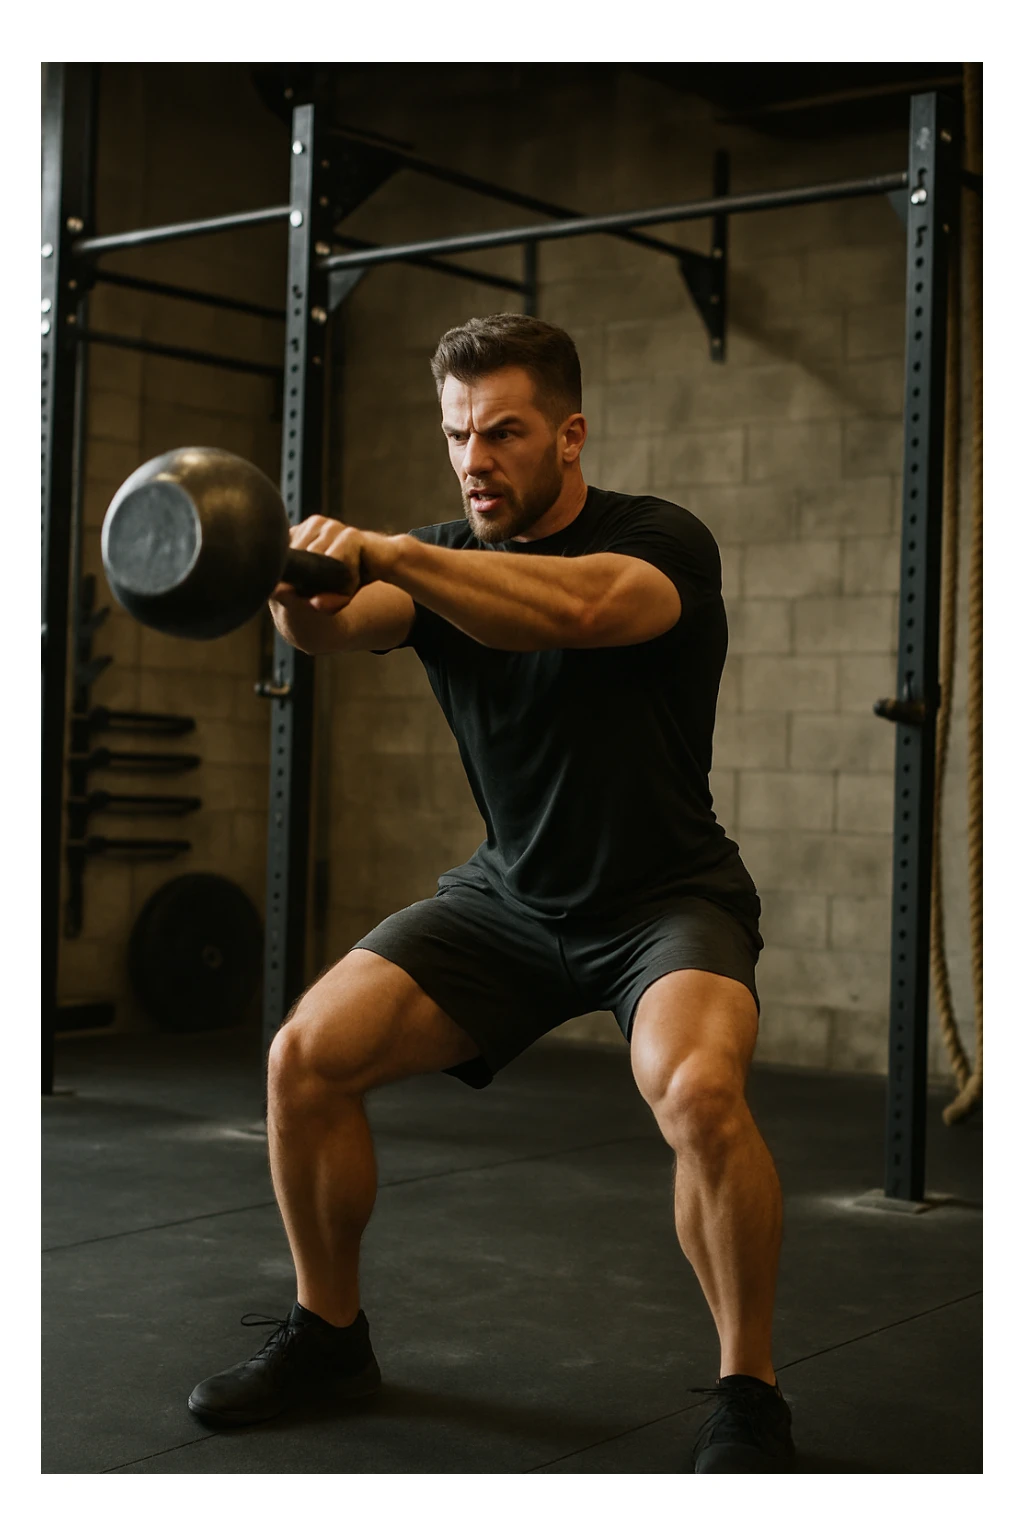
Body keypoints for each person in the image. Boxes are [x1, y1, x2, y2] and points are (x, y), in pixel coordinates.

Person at [188, 313, 795, 1474]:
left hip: (662, 901)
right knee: (303, 1058)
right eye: (459, 434)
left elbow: (568, 610)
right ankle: (329, 1334)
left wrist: (383, 550)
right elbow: (335, 629)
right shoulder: (425, 558)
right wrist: (286, 580)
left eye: (504, 432)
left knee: (700, 1094)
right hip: (507, 902)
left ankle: (749, 1390)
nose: (475, 458)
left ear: (569, 436)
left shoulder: (662, 540)